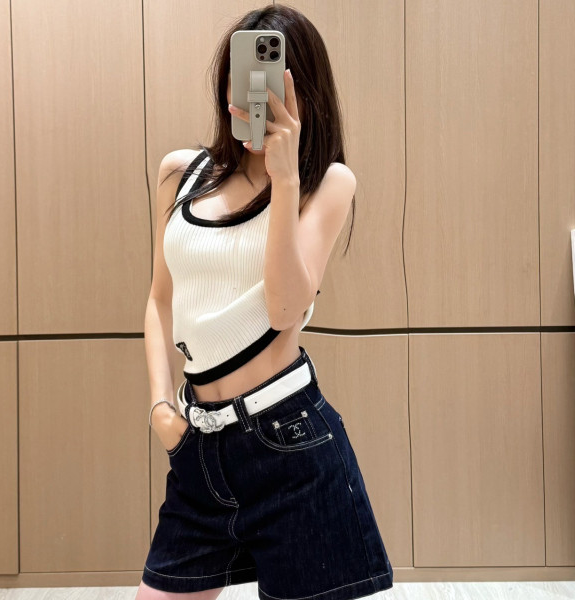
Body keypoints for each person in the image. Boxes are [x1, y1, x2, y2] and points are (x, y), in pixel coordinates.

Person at [136, 4, 393, 600]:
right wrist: (159, 409)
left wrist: (284, 179)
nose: (246, 94)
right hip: (198, 449)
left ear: (301, 92)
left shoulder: (327, 183)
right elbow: (159, 299)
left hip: (290, 445)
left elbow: (284, 312)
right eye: (237, 77)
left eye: (265, 79)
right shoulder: (181, 174)